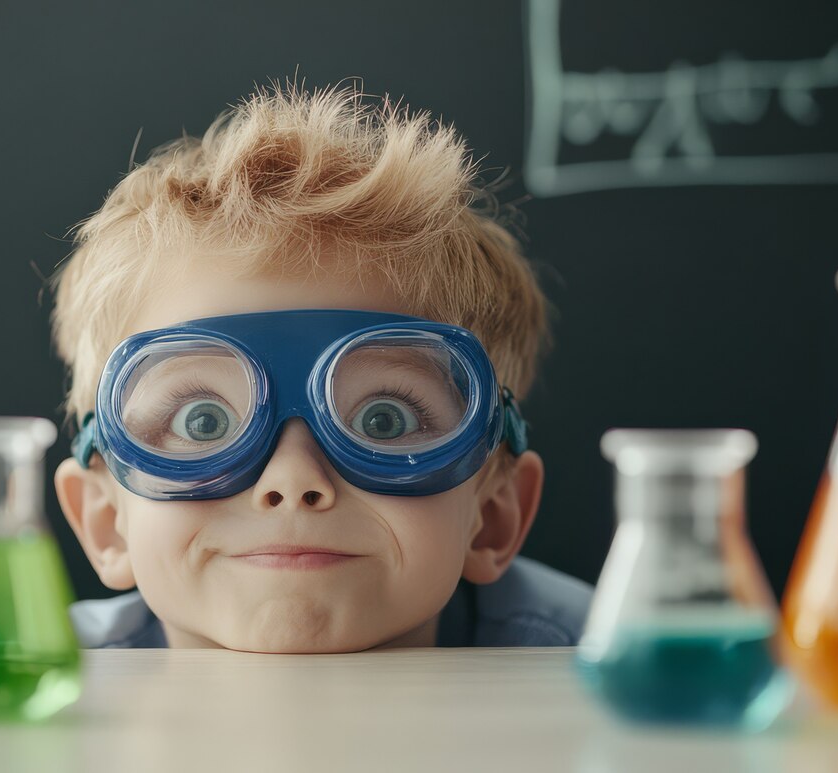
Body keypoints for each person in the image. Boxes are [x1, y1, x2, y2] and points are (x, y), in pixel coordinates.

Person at [50, 83, 590, 652]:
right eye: (201, 421)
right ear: (107, 522)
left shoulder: (610, 668)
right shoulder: (13, 691)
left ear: (494, 513)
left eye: (385, 420)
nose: (292, 481)